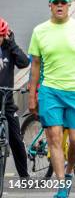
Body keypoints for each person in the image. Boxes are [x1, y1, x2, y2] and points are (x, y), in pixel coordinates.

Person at [28, 0, 75, 198]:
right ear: (50, 5)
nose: (60, 6)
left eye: (63, 3)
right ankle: (61, 186)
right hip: (50, 91)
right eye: (56, 3)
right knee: (55, 138)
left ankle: (68, 173)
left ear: (69, 6)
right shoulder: (40, 31)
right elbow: (35, 66)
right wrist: (32, 96)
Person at [0, 18, 30, 181]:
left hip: (7, 102)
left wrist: (12, 44)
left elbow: (24, 63)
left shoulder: (9, 48)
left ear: (5, 35)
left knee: (16, 140)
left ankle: (24, 176)